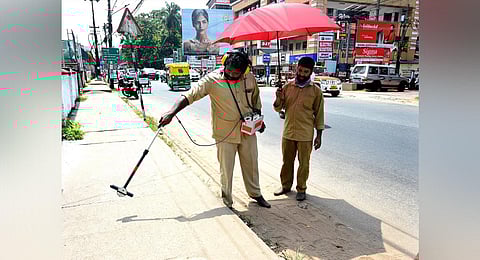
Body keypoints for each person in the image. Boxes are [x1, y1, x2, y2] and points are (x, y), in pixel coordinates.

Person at [158, 51, 271, 209]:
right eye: (229, 70)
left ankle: (256, 194)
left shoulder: (250, 78)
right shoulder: (212, 79)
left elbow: (255, 101)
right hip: (225, 133)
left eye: (236, 73)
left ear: (244, 70)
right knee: (226, 168)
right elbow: (190, 95)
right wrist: (172, 112)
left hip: (248, 130)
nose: (231, 74)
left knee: (252, 164)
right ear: (224, 64)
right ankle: (227, 199)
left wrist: (259, 121)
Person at [272, 57, 325, 201]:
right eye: (300, 70)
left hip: (305, 134)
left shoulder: (316, 91)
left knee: (304, 164)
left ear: (311, 72)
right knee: (286, 161)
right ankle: (285, 186)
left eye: (305, 72)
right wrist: (278, 96)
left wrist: (319, 136)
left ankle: (301, 188)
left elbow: (319, 114)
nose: (301, 74)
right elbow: (278, 108)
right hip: (288, 132)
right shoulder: (288, 87)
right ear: (297, 68)